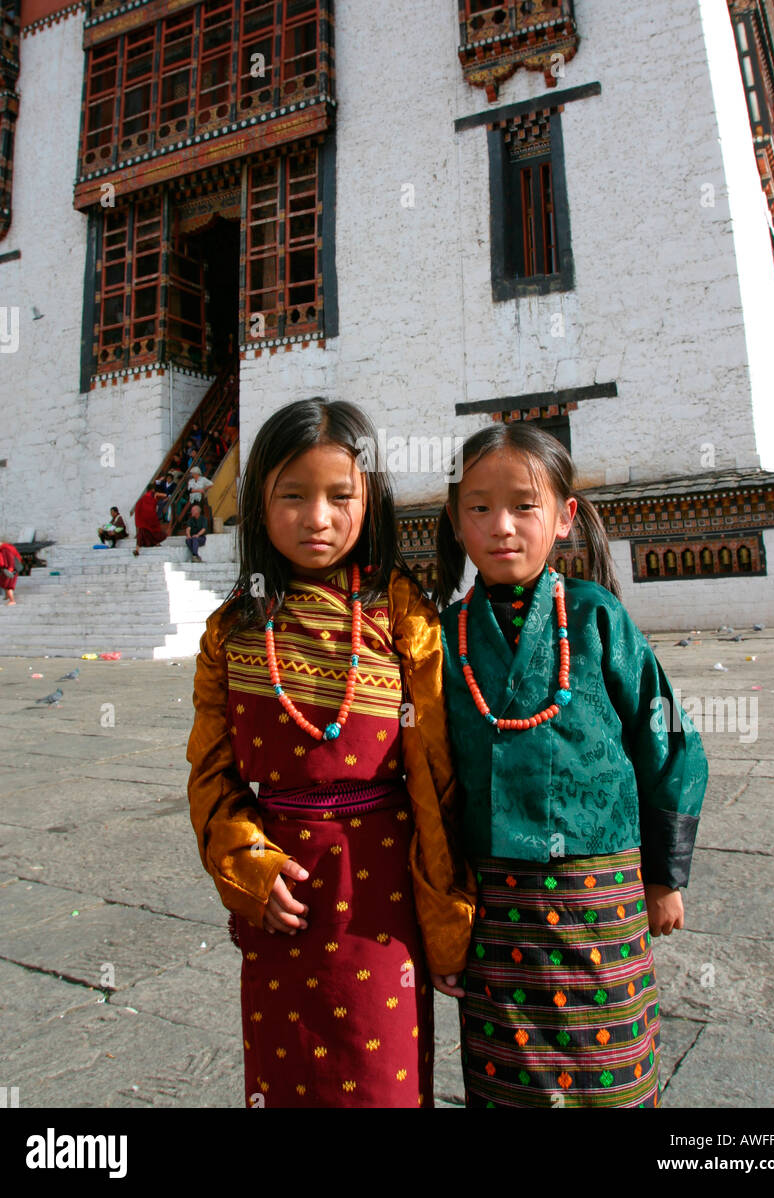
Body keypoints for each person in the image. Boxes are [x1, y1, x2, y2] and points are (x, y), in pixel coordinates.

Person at [186, 398, 475, 1108]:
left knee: (384, 1079)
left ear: (369, 499)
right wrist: (242, 864)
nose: (317, 517)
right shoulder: (232, 629)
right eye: (292, 495)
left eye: (340, 495)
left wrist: (447, 912)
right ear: (258, 503)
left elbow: (434, 770)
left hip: (383, 890)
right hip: (282, 888)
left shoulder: (401, 610)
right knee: (288, 1080)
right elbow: (211, 770)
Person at [433, 422, 709, 1109]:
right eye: (479, 507)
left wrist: (664, 876)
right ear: (454, 519)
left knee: (606, 1075)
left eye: (525, 505)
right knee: (509, 1086)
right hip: (499, 910)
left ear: (564, 518)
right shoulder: (442, 639)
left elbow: (668, 740)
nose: (502, 526)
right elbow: (428, 779)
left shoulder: (595, 618)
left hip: (600, 896)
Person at [132, 488, 165, 556]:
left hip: (143, 517)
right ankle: (156, 543)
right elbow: (164, 495)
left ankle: (137, 549)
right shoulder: (153, 494)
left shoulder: (144, 497)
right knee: (152, 531)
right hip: (149, 516)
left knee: (142, 533)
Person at [0, 540, 23, 605]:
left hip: (11, 570)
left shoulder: (6, 550)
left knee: (8, 586)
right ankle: (7, 595)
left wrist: (10, 570)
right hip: (9, 569)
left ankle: (12, 600)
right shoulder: (7, 548)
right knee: (3, 582)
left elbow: (10, 560)